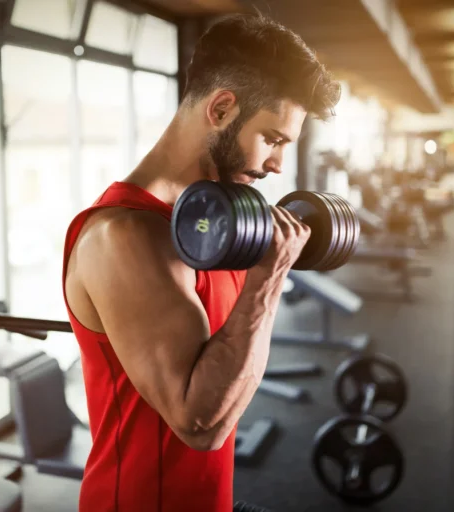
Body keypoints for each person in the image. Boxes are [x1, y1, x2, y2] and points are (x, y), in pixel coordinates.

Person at [61, 13, 339, 512]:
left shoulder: (218, 224)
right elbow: (199, 425)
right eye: (273, 138)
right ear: (222, 108)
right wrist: (267, 281)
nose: (277, 164)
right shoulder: (122, 236)